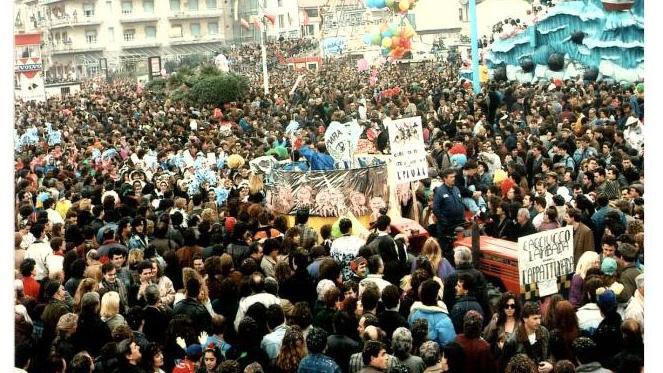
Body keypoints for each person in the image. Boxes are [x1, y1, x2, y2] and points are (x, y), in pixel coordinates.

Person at [502, 302, 553, 373]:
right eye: (535, 318)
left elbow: (550, 353)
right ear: (525, 319)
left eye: (539, 318)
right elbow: (505, 367)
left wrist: (550, 364)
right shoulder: (512, 341)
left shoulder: (544, 332)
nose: (539, 322)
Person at [408, 279, 456, 347]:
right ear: (436, 297)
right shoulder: (445, 320)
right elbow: (449, 345)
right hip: (435, 355)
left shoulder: (413, 314)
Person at [482, 292, 522, 362]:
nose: (509, 309)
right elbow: (486, 338)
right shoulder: (497, 320)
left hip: (514, 361)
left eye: (512, 306)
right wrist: (494, 324)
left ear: (516, 307)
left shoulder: (520, 323)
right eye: (506, 306)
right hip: (499, 361)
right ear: (502, 307)